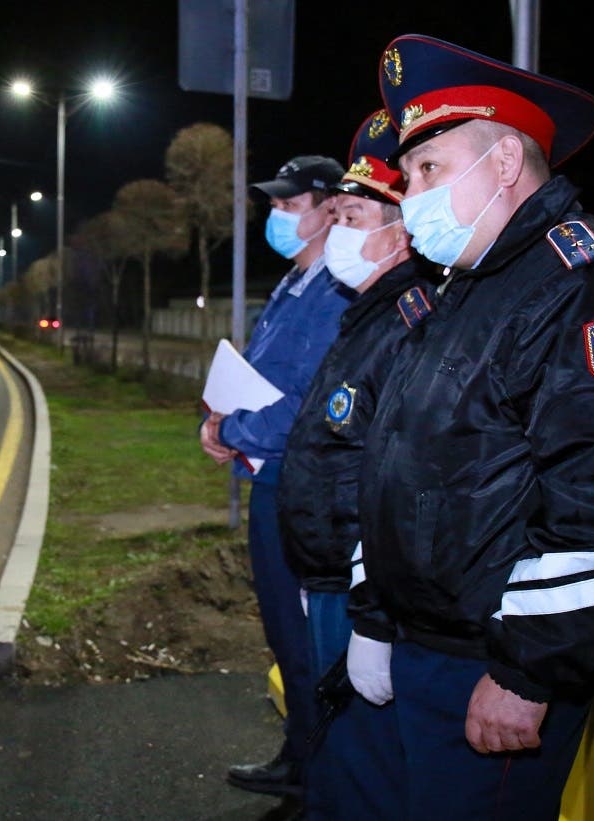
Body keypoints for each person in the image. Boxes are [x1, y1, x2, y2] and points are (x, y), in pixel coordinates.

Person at [326, 34, 594, 819]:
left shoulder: (592, 291)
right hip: (418, 643)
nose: (413, 190)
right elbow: (398, 457)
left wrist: (528, 671)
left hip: (490, 667)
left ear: (502, 163)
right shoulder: (464, 289)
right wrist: (373, 612)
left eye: (428, 169)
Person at [273, 109, 436, 813]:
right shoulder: (365, 311)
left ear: (402, 231)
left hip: (361, 582)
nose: (338, 230)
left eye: (352, 215)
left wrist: (365, 608)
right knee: (340, 755)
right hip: (333, 572)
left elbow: (394, 475)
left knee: (362, 765)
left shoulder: (410, 319)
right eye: (334, 213)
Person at [199, 154, 355, 799]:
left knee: (310, 636)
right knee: (284, 631)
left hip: (304, 486)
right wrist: (218, 421)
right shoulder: (293, 285)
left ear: (329, 211)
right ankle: (301, 757)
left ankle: (324, 774)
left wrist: (233, 432)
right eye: (274, 205)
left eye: (291, 206)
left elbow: (312, 402)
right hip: (271, 480)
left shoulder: (338, 289)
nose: (277, 216)